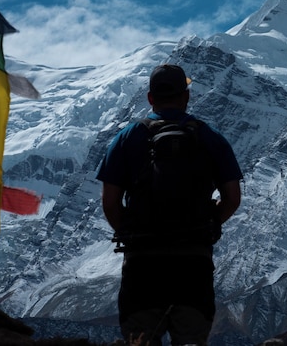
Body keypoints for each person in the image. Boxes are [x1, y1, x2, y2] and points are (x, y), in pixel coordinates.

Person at [97, 64, 242, 346]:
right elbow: (232, 199)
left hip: (143, 265)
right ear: (186, 96)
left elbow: (110, 203)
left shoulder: (126, 138)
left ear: (150, 98)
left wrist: (134, 231)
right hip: (193, 263)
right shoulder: (210, 138)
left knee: (141, 340)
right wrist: (208, 225)